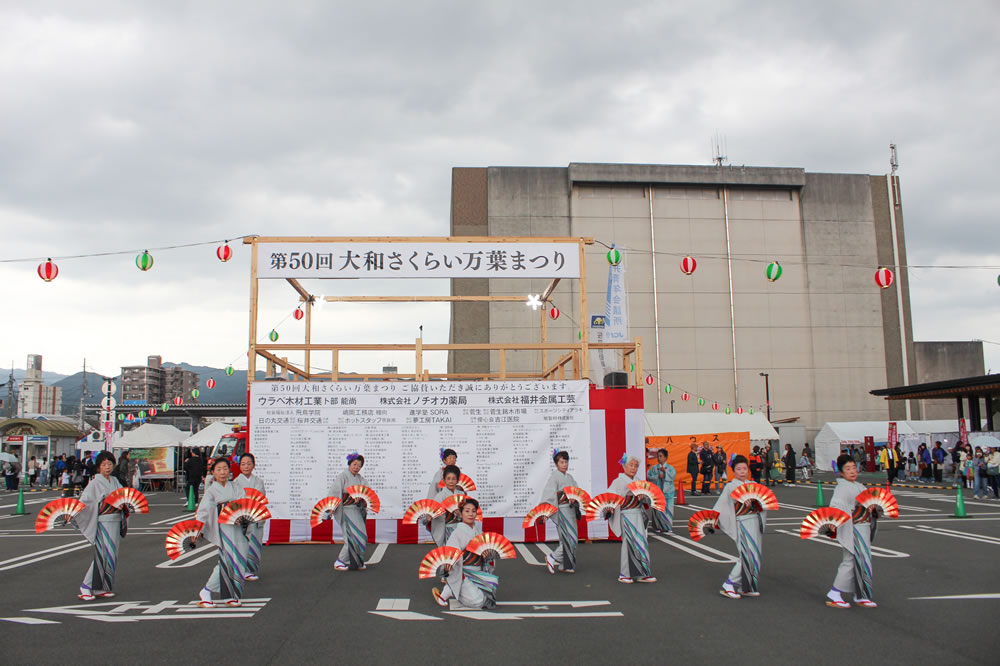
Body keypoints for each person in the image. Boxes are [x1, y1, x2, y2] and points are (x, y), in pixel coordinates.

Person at [826, 454, 878, 609]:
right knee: (850, 560)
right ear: (841, 472)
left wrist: (872, 507)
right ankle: (835, 592)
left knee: (862, 561)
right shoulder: (842, 487)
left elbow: (869, 500)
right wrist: (833, 523)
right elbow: (836, 505)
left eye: (854, 467)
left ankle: (861, 594)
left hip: (862, 527)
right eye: (847, 469)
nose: (852, 471)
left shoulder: (858, 486)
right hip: (853, 527)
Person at [714, 455, 769, 599]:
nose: (742, 471)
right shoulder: (731, 486)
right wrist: (713, 519)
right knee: (747, 555)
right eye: (738, 469)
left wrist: (759, 505)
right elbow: (722, 505)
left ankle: (747, 586)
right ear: (734, 471)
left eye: (744, 468)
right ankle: (730, 583)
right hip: (742, 522)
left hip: (755, 521)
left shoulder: (753, 484)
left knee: (756, 555)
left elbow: (764, 502)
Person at [76, 451, 127, 600]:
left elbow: (122, 496)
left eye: (110, 464)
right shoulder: (94, 483)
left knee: (111, 555)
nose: (107, 467)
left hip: (115, 519)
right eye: (104, 465)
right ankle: (86, 585)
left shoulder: (115, 481)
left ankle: (101, 587)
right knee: (102, 555)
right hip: (103, 521)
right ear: (99, 467)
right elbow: (85, 501)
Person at [196, 458, 246, 608]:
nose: (223, 472)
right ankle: (207, 590)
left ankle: (230, 595)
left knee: (240, 560)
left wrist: (241, 515)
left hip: (237, 528)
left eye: (225, 468)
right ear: (213, 473)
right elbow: (204, 511)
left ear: (229, 471)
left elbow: (244, 503)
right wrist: (198, 528)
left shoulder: (236, 486)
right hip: (223, 529)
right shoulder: (211, 490)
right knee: (227, 561)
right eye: (219, 469)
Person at [432, 498, 497, 609]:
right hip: (463, 572)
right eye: (467, 511)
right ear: (460, 513)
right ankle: (453, 588)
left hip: (478, 572)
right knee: (478, 601)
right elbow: (451, 556)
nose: (470, 514)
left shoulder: (479, 532)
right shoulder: (457, 534)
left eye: (473, 511)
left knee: (490, 592)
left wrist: (488, 554)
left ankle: (452, 589)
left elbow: (489, 553)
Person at [609, 454, 655, 584]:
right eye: (631, 465)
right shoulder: (618, 482)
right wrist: (611, 506)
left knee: (641, 542)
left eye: (636, 466)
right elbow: (610, 497)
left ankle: (643, 573)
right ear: (624, 466)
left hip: (637, 515)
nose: (633, 468)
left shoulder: (639, 480)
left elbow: (648, 498)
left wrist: (643, 497)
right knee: (628, 544)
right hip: (626, 514)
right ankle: (625, 573)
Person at [536, 449, 582, 572]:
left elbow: (577, 491)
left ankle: (566, 565)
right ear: (556, 464)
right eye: (561, 462)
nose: (564, 464)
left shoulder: (570, 477)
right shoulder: (554, 477)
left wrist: (574, 497)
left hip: (570, 509)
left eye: (566, 462)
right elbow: (549, 495)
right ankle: (552, 557)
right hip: (561, 510)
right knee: (570, 537)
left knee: (566, 537)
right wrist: (546, 512)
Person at [329, 452, 370, 571]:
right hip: (345, 510)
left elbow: (367, 492)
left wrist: (362, 498)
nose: (356, 467)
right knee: (350, 537)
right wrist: (331, 508)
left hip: (356, 510)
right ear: (349, 464)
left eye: (359, 465)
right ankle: (340, 561)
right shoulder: (342, 476)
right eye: (354, 464)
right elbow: (335, 492)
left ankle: (357, 561)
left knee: (362, 536)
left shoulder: (360, 479)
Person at [232, 452, 267, 581]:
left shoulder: (258, 481)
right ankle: (242, 569)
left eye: (249, 464)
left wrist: (248, 498)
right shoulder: (235, 483)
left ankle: (250, 569)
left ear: (253, 465)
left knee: (255, 544)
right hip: (242, 518)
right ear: (239, 466)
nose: (246, 467)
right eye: (243, 464)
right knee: (242, 544)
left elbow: (259, 496)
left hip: (256, 518)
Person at [430, 464, 463, 547]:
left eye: (453, 479)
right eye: (448, 479)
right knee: (449, 552)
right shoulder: (440, 496)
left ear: (458, 480)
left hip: (460, 528)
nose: (451, 481)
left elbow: (468, 512)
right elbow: (435, 514)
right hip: (447, 528)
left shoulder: (462, 494)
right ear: (444, 480)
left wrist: (460, 514)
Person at [645, 448, 676, 534]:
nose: (659, 458)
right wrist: (657, 477)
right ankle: (658, 526)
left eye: (661, 456)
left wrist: (665, 473)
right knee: (657, 510)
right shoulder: (654, 468)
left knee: (668, 510)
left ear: (666, 458)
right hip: (657, 492)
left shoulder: (670, 468)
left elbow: (673, 477)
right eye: (658, 456)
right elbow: (649, 477)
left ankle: (668, 526)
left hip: (668, 493)